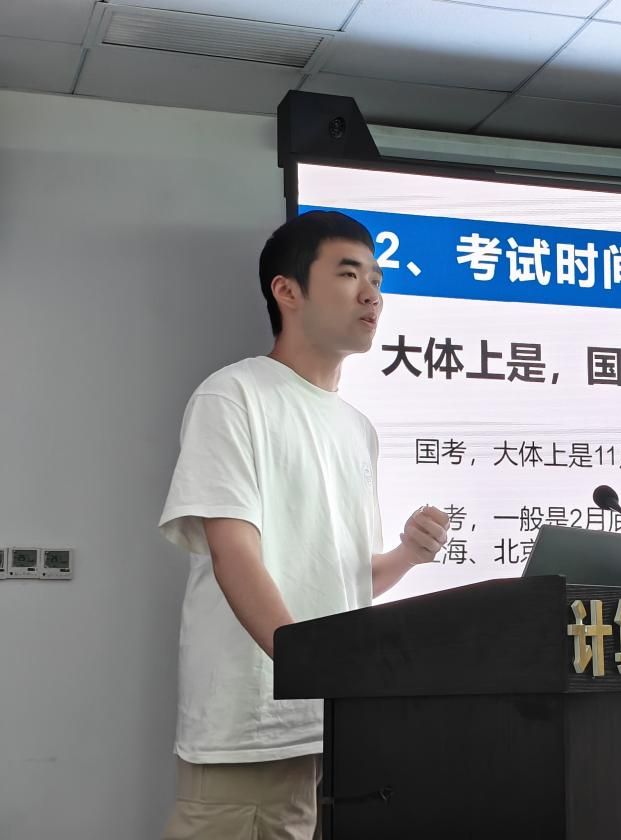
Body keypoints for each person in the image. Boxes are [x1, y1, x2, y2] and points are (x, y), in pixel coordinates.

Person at [157, 210, 449, 838]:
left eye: (376, 279)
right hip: (253, 725)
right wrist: (316, 670)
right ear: (287, 291)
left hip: (332, 725)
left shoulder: (357, 428)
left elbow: (343, 578)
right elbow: (235, 554)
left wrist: (406, 554)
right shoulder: (233, 395)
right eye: (348, 274)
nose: (372, 294)